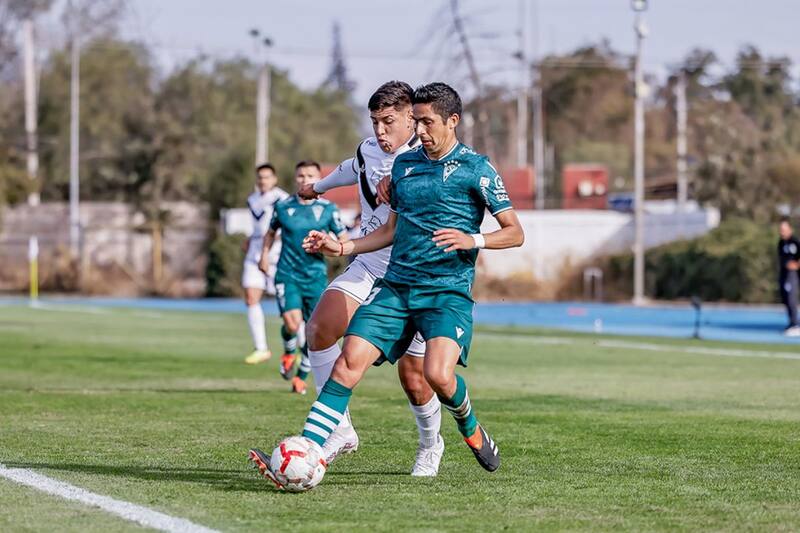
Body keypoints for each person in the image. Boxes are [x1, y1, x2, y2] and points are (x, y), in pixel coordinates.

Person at [249, 82, 524, 485]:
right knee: (347, 359)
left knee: (430, 377)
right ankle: (310, 446)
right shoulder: (404, 166)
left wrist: (474, 239)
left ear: (452, 121)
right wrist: (343, 245)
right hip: (395, 285)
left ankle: (459, 429)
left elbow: (515, 232)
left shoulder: (476, 168)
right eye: (417, 122)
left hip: (444, 291)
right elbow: (390, 230)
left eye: (425, 122)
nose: (420, 130)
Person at [294, 81, 445, 476]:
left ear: (411, 118)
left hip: (412, 275)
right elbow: (353, 166)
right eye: (375, 121)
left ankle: (431, 443)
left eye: (388, 121)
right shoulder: (368, 149)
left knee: (414, 378)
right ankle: (341, 430)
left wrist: (402, 184)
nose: (380, 130)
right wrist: (317, 187)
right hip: (368, 263)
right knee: (319, 329)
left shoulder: (428, 158)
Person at [258, 161, 349, 393]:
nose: (304, 179)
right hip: (287, 273)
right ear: (295, 177)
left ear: (319, 178)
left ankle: (301, 376)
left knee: (314, 330)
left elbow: (344, 240)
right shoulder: (283, 206)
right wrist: (264, 255)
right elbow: (270, 233)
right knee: (292, 323)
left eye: (310, 175)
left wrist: (332, 248)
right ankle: (289, 352)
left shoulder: (328, 209)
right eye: (300, 175)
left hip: (315, 277)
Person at [242, 163, 289, 365]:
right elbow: (258, 226)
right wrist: (250, 238)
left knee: (287, 306)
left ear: (274, 179)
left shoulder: (282, 198)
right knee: (251, 297)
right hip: (254, 253)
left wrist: (267, 248)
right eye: (260, 177)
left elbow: (284, 228)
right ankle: (261, 348)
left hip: (276, 255)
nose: (263, 181)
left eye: (267, 177)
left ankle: (298, 347)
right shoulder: (252, 199)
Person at [778, 217, 800, 336]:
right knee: (786, 299)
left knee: (792, 299)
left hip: (793, 275)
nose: (782, 232)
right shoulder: (781, 243)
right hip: (784, 274)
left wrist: (796, 265)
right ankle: (791, 323)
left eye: (784, 229)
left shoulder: (795, 242)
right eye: (781, 230)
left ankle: (795, 325)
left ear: (790, 229)